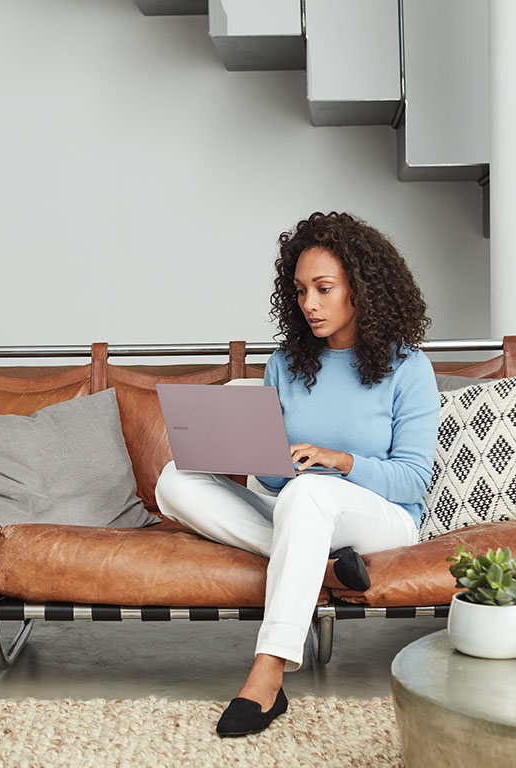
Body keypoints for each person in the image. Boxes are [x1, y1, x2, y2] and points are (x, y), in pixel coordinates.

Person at [154, 211, 439, 737]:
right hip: (304, 509)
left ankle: (269, 670)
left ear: (362, 289)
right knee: (173, 479)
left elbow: (413, 481)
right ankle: (326, 570)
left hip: (385, 519)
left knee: (311, 495)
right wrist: (258, 459)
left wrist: (341, 461)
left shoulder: (408, 366)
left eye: (324, 288)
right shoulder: (285, 365)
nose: (309, 303)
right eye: (301, 290)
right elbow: (282, 486)